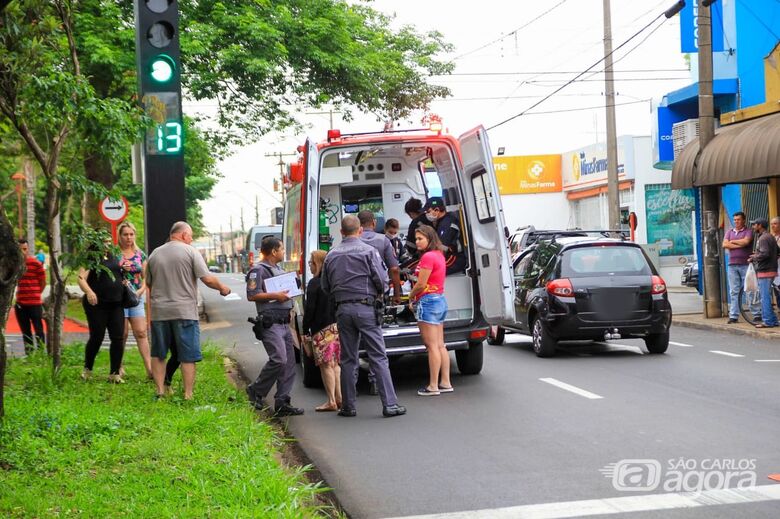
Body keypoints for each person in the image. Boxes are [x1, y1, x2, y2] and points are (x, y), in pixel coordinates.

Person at [321, 215, 406, 418]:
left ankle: (348, 406)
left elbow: (325, 286)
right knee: (378, 356)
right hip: (366, 308)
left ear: (341, 232)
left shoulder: (331, 255)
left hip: (342, 310)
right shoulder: (369, 251)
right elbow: (382, 281)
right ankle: (390, 405)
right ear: (360, 231)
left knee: (348, 359)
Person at [146, 221, 231, 399]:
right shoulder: (191, 252)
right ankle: (188, 394)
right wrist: (223, 288)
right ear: (183, 235)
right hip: (184, 311)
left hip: (160, 312)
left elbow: (148, 284)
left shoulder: (154, 254)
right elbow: (207, 279)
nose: (191, 240)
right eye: (190, 236)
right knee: (187, 355)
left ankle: (160, 392)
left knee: (159, 353)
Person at [245, 237, 304, 417]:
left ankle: (282, 401)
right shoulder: (257, 270)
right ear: (273, 251)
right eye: (281, 249)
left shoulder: (279, 269)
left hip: (285, 322)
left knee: (289, 364)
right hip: (270, 322)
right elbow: (252, 295)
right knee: (278, 359)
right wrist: (275, 295)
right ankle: (256, 390)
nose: (283, 252)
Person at [358, 210, 402, 396]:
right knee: (376, 341)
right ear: (374, 223)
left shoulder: (347, 244)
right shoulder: (383, 241)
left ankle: (349, 398)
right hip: (376, 298)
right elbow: (393, 268)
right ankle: (376, 381)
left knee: (351, 348)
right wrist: (397, 293)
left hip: (352, 299)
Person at [409, 224, 453, 397]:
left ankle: (433, 385)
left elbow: (421, 284)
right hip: (439, 299)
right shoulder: (439, 255)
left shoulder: (427, 257)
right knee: (440, 344)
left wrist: (411, 297)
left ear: (429, 238)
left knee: (431, 346)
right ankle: (445, 381)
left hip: (427, 301)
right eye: (416, 239)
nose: (417, 242)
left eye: (420, 239)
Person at [77, 241, 126, 383]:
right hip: (97, 304)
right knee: (97, 336)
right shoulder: (91, 258)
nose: (107, 244)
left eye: (109, 241)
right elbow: (81, 278)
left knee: (118, 337)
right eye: (104, 241)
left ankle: (114, 373)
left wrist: (123, 279)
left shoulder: (114, 256)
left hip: (116, 303)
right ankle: (88, 368)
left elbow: (116, 274)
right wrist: (89, 291)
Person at [302, 250, 341, 412]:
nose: (309, 266)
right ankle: (340, 398)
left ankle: (331, 400)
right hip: (336, 326)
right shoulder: (335, 281)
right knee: (335, 364)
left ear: (317, 264)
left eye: (311, 262)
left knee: (325, 365)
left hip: (321, 330)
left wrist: (305, 330)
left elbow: (310, 309)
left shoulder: (314, 283)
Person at [117, 221, 152, 379]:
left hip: (136, 298)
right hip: (118, 299)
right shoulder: (114, 253)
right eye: (125, 234)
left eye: (131, 234)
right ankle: (118, 366)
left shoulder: (140, 254)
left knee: (141, 332)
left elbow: (146, 277)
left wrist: (141, 290)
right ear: (120, 236)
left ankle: (150, 369)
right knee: (122, 333)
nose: (129, 237)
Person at [722, 211, 760, 324]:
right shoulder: (729, 232)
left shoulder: (748, 231)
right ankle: (733, 316)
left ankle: (756, 313)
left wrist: (732, 242)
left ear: (743, 220)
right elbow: (724, 244)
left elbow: (746, 242)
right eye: (735, 220)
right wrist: (738, 243)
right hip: (732, 265)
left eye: (738, 220)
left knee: (750, 289)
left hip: (746, 265)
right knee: (733, 291)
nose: (736, 222)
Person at [14, 239, 46, 354]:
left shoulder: (35, 263)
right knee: (25, 331)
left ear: (28, 249)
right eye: (20, 249)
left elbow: (43, 282)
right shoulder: (14, 265)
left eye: (24, 249)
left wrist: (35, 293)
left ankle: (41, 354)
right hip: (20, 304)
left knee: (39, 330)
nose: (22, 252)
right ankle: (29, 354)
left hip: (35, 304)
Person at [424, 197, 467, 275]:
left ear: (437, 210)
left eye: (428, 211)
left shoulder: (447, 224)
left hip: (455, 258)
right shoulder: (442, 221)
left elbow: (441, 249)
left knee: (427, 271)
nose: (427, 214)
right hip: (448, 256)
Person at [748, 218, 778, 328]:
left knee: (764, 297)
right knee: (766, 296)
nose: (753, 227)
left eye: (754, 225)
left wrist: (754, 257)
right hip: (771, 269)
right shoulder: (770, 236)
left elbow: (765, 254)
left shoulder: (763, 238)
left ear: (760, 225)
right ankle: (773, 320)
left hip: (765, 271)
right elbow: (777, 252)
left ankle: (768, 321)